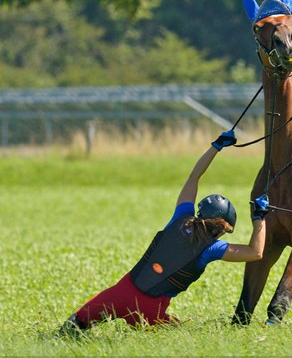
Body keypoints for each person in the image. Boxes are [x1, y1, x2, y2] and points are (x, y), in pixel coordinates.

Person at [59, 130, 269, 335]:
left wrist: (215, 147)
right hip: (150, 312)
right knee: (178, 338)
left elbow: (194, 177)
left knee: (73, 326)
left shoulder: (181, 216)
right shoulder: (212, 248)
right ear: (221, 228)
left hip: (120, 293)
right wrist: (260, 218)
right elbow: (256, 252)